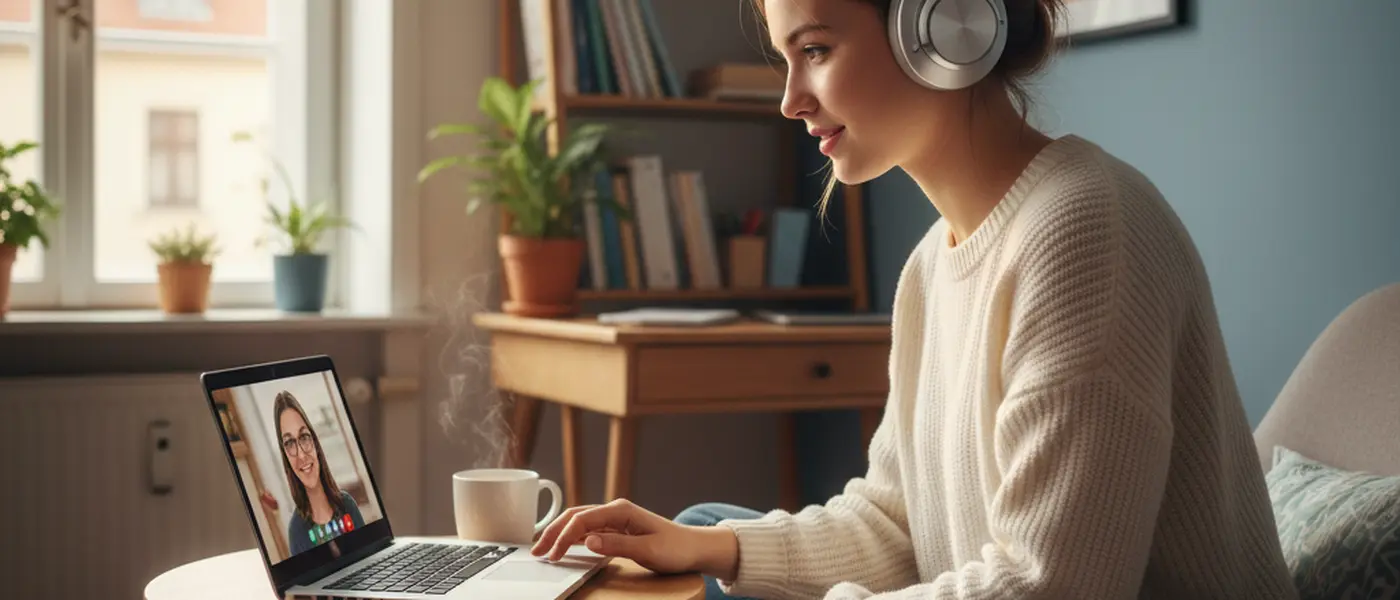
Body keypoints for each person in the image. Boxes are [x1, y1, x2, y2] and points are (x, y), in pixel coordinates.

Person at [532, 0, 1299, 598]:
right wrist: (716, 549)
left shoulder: (1088, 230)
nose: (791, 100)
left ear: (942, 28)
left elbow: (1055, 586)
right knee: (700, 529)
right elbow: (896, 524)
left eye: (816, 50)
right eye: (786, 59)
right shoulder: (931, 267)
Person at [274, 390, 365, 556]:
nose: (301, 454)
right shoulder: (297, 531)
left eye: (304, 437)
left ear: (315, 442)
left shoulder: (347, 505)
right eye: (289, 443)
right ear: (285, 456)